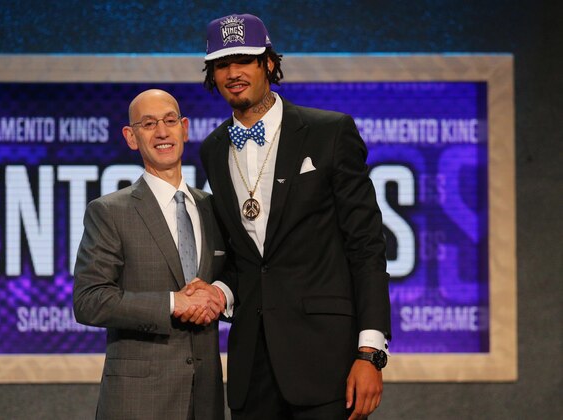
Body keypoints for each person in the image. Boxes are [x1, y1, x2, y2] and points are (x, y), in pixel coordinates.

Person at [196, 13, 392, 420]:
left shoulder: (329, 132)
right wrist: (219, 292)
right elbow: (244, 256)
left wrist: (370, 353)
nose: (233, 72)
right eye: (221, 64)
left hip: (327, 363)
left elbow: (367, 245)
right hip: (253, 366)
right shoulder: (213, 148)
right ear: (212, 74)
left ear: (268, 63)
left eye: (244, 59)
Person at [73, 89, 226, 420]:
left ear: (184, 128)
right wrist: (173, 303)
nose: (162, 132)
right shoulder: (109, 212)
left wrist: (221, 294)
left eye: (170, 121)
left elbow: (239, 276)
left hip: (206, 398)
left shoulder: (214, 208)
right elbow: (89, 300)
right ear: (131, 137)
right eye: (148, 124)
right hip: (138, 401)